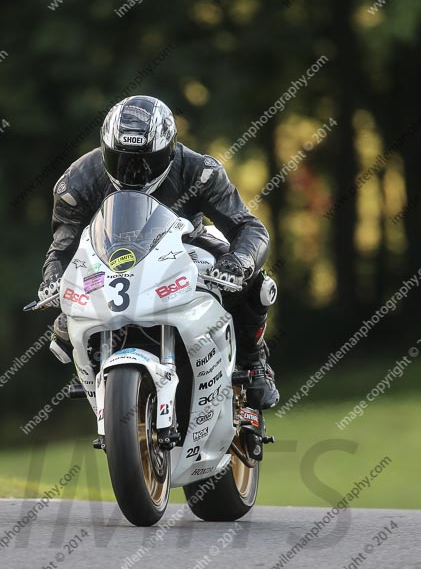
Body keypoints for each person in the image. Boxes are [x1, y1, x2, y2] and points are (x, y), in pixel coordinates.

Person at [39, 95, 279, 409]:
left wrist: (238, 263)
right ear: (105, 151)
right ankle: (101, 381)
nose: (134, 171)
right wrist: (54, 279)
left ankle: (253, 362)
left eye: (145, 161)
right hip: (108, 259)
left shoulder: (200, 171)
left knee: (257, 285)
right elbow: (62, 247)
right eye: (122, 159)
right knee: (64, 323)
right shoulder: (76, 184)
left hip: (184, 246)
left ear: (168, 151)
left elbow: (249, 227)